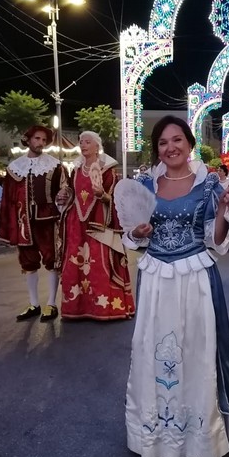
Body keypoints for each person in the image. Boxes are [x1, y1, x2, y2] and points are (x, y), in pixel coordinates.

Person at [122, 116, 229, 457]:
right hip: (157, 279)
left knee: (199, 351)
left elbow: (217, 240)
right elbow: (130, 236)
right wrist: (139, 233)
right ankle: (156, 434)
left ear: (189, 143)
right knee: (153, 352)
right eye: (163, 142)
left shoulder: (208, 185)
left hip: (195, 279)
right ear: (157, 148)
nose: (171, 147)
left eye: (177, 140)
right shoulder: (144, 184)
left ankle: (200, 434)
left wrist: (226, 208)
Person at [56, 130, 135, 320]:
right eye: (81, 142)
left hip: (100, 222)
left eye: (87, 142)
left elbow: (116, 200)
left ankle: (104, 308)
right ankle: (77, 307)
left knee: (100, 264)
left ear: (97, 146)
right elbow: (74, 196)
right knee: (75, 264)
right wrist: (64, 196)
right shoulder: (75, 170)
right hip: (77, 225)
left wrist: (103, 195)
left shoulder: (108, 169)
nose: (83, 145)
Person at [0, 125, 65, 322]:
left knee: (52, 260)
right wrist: (8, 226)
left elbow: (65, 190)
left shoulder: (54, 166)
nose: (41, 143)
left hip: (48, 221)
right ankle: (34, 303)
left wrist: (64, 195)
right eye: (37, 139)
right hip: (23, 223)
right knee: (28, 263)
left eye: (44, 140)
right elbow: (8, 200)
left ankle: (51, 304)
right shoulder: (14, 168)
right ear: (28, 140)